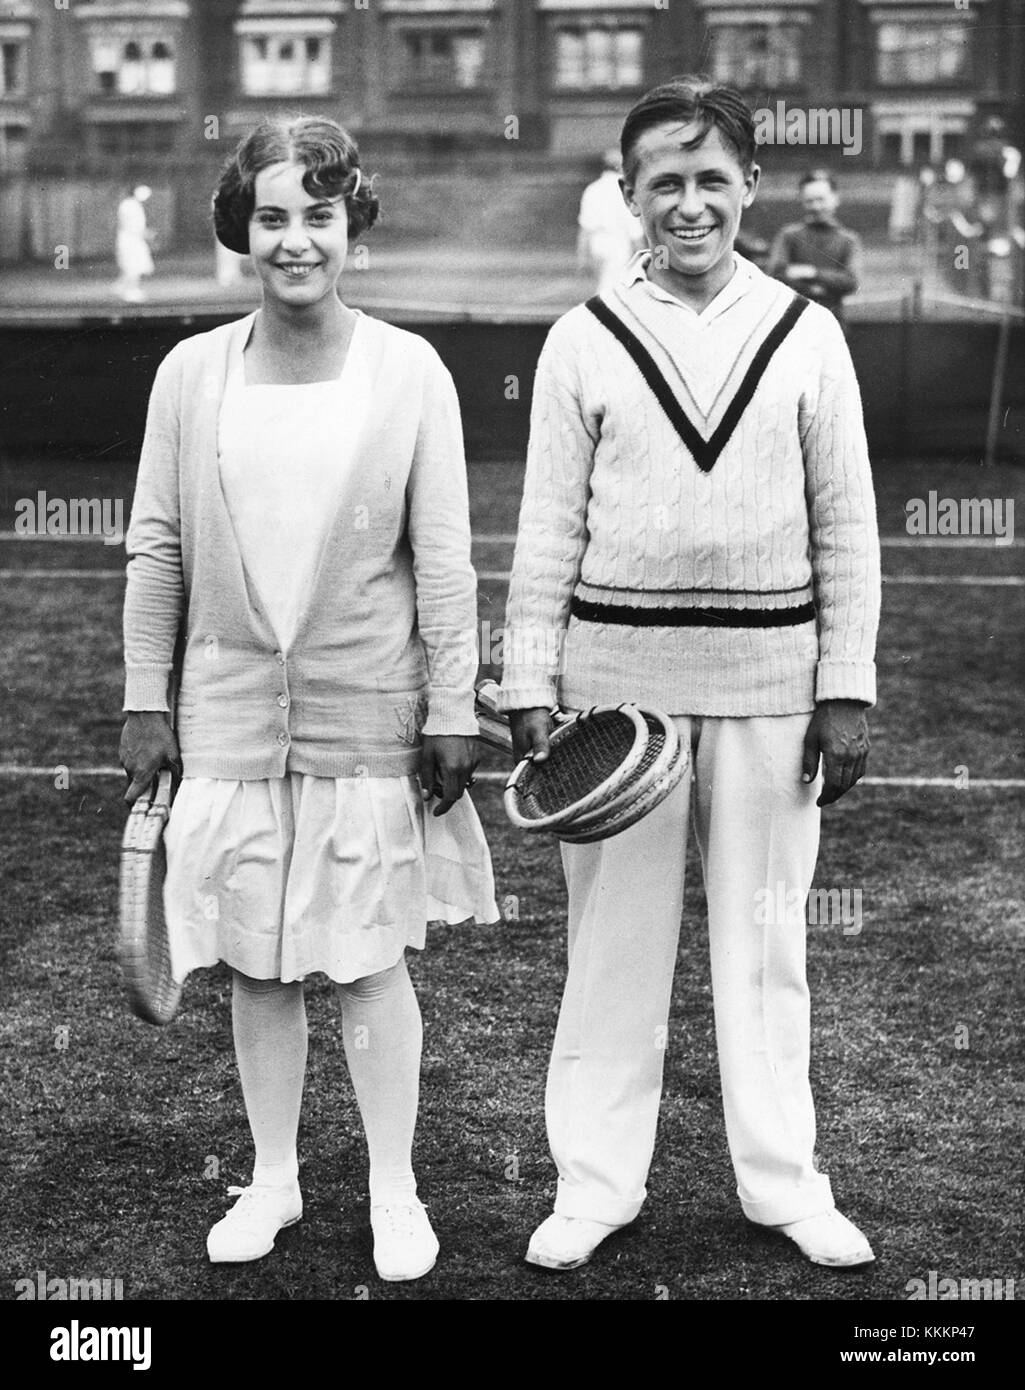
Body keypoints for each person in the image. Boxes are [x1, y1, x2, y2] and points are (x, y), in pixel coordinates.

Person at [499, 76, 881, 1274]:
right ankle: (594, 1185)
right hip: (620, 695)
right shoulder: (581, 337)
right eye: (663, 181)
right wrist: (526, 677)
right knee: (612, 948)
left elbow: (846, 527)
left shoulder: (807, 332)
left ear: (749, 189)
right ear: (628, 195)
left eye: (711, 179)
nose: (688, 203)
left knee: (764, 947)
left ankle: (782, 1183)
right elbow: (547, 525)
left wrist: (847, 682)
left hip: (773, 683)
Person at [120, 116, 497, 1282]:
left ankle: (394, 1188)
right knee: (256, 961)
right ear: (244, 231)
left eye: (318, 217)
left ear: (351, 229)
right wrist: (147, 695)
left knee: (367, 956)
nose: (296, 241)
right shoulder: (190, 372)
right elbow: (157, 547)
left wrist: (448, 706)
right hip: (227, 713)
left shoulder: (409, 370)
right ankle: (273, 1179)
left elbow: (442, 559)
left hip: (366, 711)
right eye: (273, 217)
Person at [766, 169, 861, 326]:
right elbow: (776, 274)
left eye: (821, 199)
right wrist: (818, 289)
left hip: (833, 322)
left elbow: (851, 282)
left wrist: (811, 273)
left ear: (835, 199)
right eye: (810, 201)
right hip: (792, 322)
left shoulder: (849, 240)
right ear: (802, 201)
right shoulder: (789, 235)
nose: (816, 206)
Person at [577, 147, 643, 294]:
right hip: (618, 245)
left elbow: (585, 226)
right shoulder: (624, 190)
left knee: (607, 285)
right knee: (610, 290)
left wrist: (582, 255)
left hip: (597, 244)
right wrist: (641, 252)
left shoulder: (592, 189)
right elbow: (633, 227)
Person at [115, 184, 155, 303]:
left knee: (133, 265)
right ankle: (130, 291)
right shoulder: (130, 206)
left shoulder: (131, 204)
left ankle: (120, 287)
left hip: (133, 239)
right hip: (131, 240)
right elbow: (133, 226)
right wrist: (147, 234)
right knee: (134, 266)